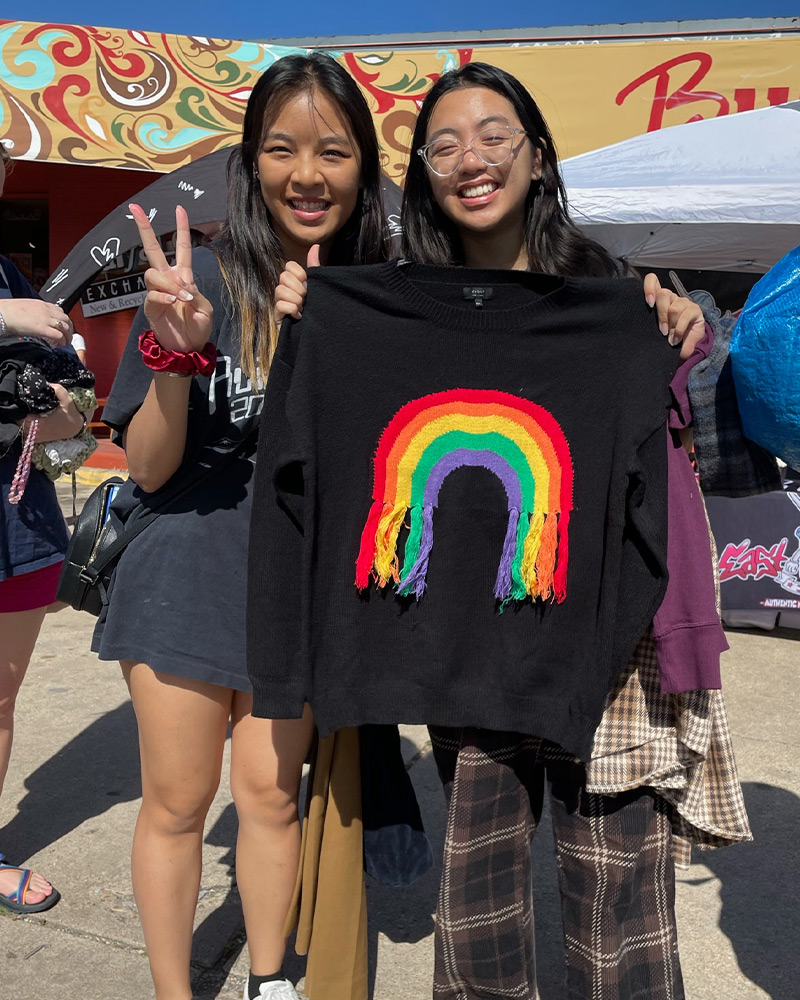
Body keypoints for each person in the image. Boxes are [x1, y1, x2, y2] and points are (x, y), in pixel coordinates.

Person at [264, 63, 748, 1000]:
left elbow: (694, 449)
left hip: (606, 649)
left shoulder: (613, 292)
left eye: (494, 135)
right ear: (424, 177)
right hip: (465, 646)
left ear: (536, 154)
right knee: (478, 902)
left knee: (621, 909)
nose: (470, 159)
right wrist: (314, 327)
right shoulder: (390, 305)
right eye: (443, 145)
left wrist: (685, 334)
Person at [90, 54, 387, 1000]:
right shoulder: (200, 276)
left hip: (296, 583)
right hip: (186, 570)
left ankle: (270, 984)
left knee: (268, 798)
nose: (308, 172)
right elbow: (146, 469)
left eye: (333, 150)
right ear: (251, 164)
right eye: (282, 148)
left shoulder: (379, 292)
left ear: (362, 166)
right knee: (179, 805)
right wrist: (172, 354)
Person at [0, 142, 83, 914]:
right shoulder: (12, 295)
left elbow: (70, 413)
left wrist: (54, 410)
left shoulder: (12, 274)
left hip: (16, 512)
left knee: (1, 697)